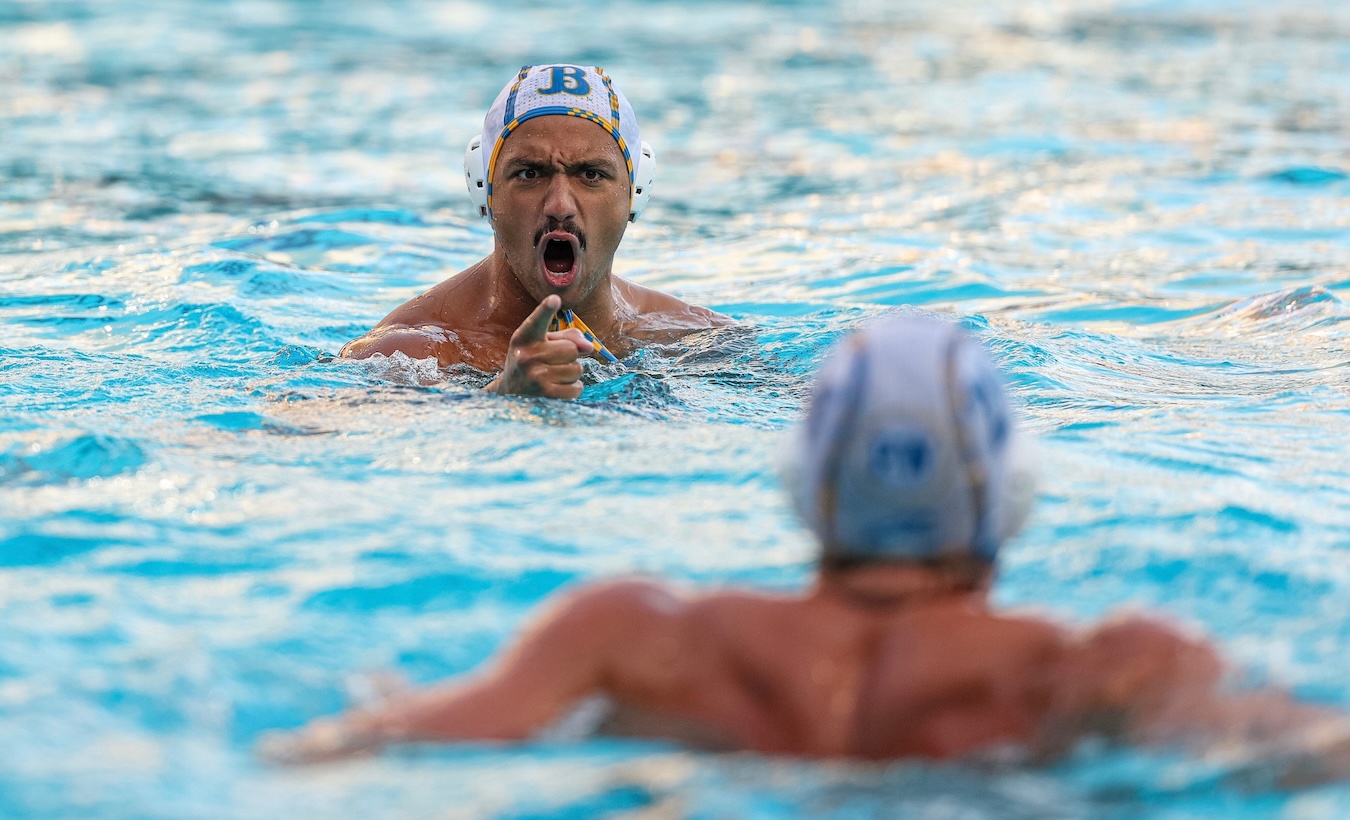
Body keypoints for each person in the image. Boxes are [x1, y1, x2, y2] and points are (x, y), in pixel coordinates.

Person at [262, 316, 1350, 784]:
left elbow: (368, 748)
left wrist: (378, 708)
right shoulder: (1098, 669)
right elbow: (1301, 750)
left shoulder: (636, 635)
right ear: (1007, 495)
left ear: (806, 484)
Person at [340, 63, 730, 398]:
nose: (559, 204)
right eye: (529, 174)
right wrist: (499, 396)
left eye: (591, 175)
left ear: (635, 194)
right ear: (485, 190)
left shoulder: (693, 337)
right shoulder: (406, 355)